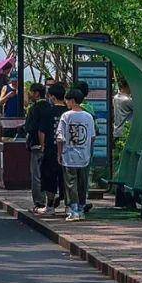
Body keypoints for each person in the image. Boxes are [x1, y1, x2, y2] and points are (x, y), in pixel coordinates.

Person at [57, 85, 96, 221]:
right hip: (84, 156)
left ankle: (73, 210)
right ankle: (81, 209)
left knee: (70, 184)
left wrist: (59, 154)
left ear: (72, 101)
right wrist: (89, 152)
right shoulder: (88, 117)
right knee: (82, 184)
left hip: (69, 156)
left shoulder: (66, 116)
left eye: (67, 100)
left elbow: (60, 137)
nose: (66, 103)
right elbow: (92, 137)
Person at [40, 80, 68, 213]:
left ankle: (49, 206)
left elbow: (42, 131)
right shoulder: (69, 112)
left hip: (51, 149)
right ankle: (69, 206)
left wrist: (42, 146)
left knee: (49, 177)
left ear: (53, 97)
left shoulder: (47, 112)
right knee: (66, 178)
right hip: (67, 151)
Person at [21, 82, 48, 213]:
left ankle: (39, 202)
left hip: (37, 145)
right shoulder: (50, 106)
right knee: (48, 174)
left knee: (36, 175)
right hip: (51, 146)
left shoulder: (34, 109)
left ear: (36, 93)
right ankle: (50, 202)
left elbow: (29, 127)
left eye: (31, 92)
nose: (30, 95)